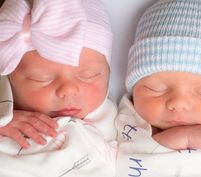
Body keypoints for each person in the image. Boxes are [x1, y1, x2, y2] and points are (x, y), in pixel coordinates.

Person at [116, 0, 201, 176]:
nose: (178, 103)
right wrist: (183, 137)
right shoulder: (129, 120)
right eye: (156, 89)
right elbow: (124, 163)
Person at [0, 0, 117, 177]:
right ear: (9, 80)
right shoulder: (7, 116)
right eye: (41, 79)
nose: (68, 89)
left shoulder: (126, 116)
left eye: (89, 75)